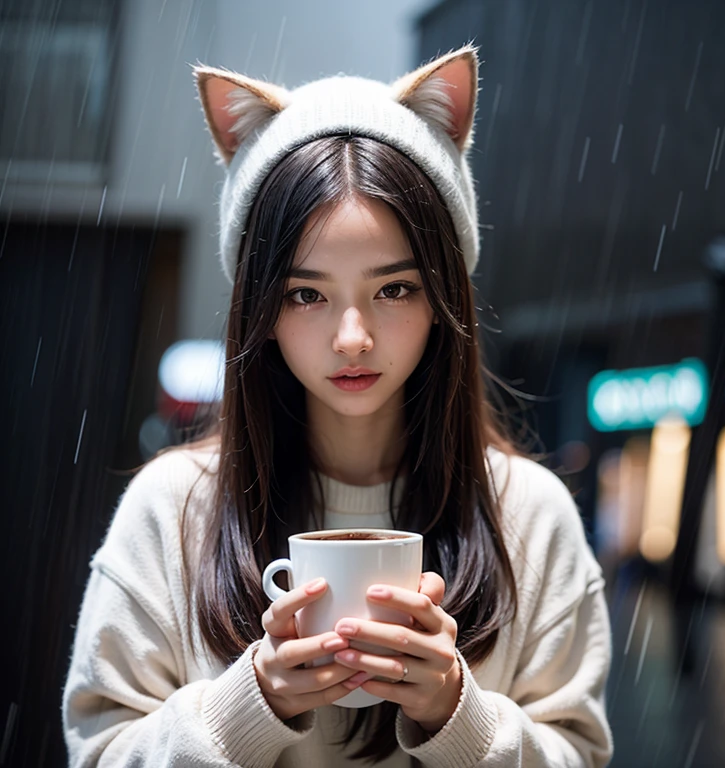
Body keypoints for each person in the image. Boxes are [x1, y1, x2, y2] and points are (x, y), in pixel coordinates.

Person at [62, 45, 614, 767]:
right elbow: (98, 752)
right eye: (306, 294)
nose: (352, 338)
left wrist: (457, 712)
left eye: (394, 289)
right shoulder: (170, 511)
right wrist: (251, 702)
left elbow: (581, 754)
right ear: (259, 308)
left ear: (445, 298)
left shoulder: (529, 514)